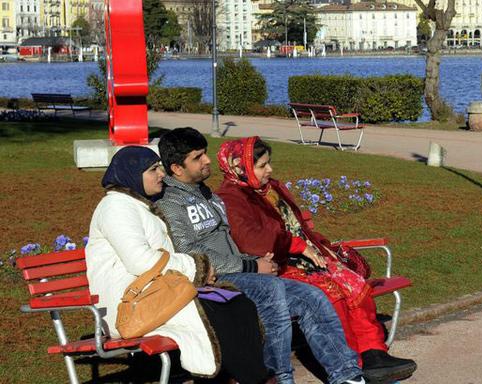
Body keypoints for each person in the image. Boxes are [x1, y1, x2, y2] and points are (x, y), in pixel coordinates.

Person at [154, 128, 365, 384]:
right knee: (270, 290)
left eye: (205, 154)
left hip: (239, 271)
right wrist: (252, 265)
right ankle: (279, 377)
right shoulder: (170, 203)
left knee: (311, 296)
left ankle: (347, 375)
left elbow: (228, 241)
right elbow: (191, 254)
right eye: (198, 157)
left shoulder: (206, 193)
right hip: (212, 280)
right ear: (177, 168)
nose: (207, 160)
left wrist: (257, 261)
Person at [214, 137, 417, 382]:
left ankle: (374, 353)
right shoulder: (233, 196)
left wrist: (322, 247)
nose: (270, 170)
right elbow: (251, 239)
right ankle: (354, 364)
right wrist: (297, 246)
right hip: (277, 265)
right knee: (332, 293)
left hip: (305, 257)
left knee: (353, 284)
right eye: (262, 165)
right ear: (238, 165)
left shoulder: (270, 189)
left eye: (269, 163)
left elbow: (298, 226)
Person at [85, 146, 274, 383]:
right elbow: (140, 261)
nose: (161, 174)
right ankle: (253, 379)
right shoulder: (116, 207)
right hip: (129, 305)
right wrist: (197, 266)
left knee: (238, 303)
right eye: (153, 169)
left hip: (155, 294)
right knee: (216, 313)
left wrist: (195, 270)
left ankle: (247, 377)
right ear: (132, 174)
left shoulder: (138, 205)